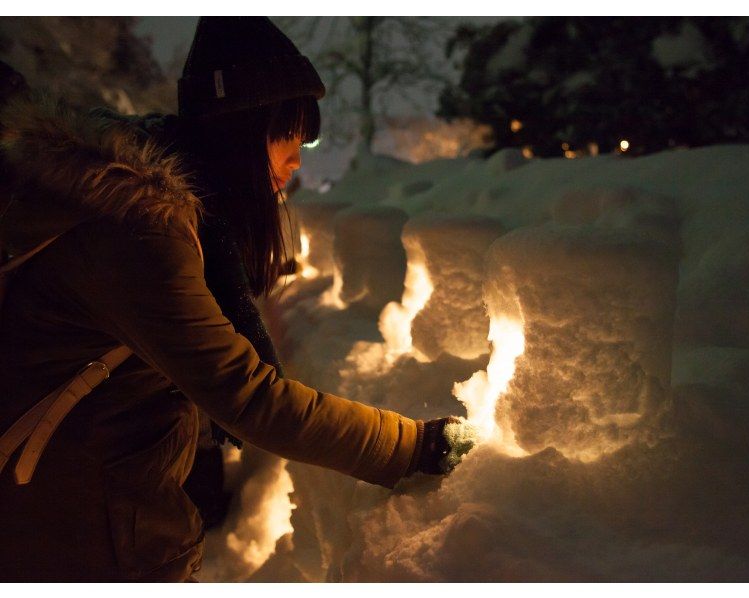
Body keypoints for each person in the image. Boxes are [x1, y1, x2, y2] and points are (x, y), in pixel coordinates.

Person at [0, 18, 468, 582]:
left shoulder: (165, 219)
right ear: (242, 132)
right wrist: (413, 445)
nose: (297, 161)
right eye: (289, 134)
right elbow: (246, 395)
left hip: (80, 500)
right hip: (74, 525)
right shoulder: (140, 233)